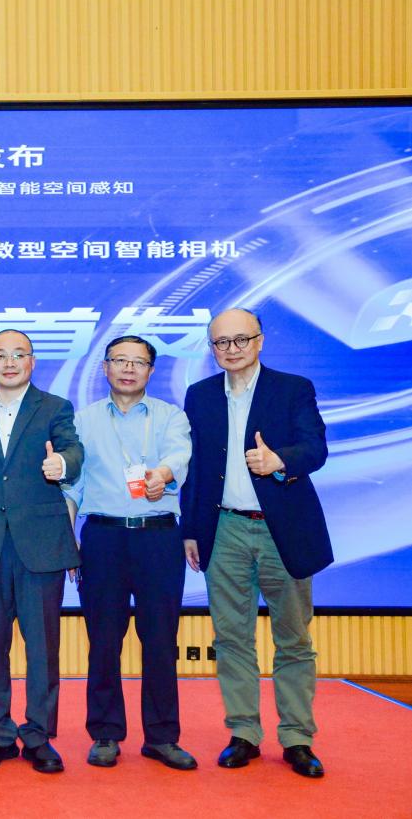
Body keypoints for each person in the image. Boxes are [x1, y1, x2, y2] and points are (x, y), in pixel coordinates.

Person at [181, 308, 332, 778]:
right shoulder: (200, 395)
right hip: (223, 528)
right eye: (221, 342)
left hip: (281, 529)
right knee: (231, 638)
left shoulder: (293, 388)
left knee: (294, 638)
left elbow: (316, 447)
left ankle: (297, 738)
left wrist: (279, 460)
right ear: (212, 349)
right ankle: (243, 732)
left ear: (260, 341)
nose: (231, 349)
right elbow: (194, 469)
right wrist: (191, 529)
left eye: (240, 339)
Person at [63, 335, 196, 770]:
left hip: (158, 539)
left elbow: (179, 454)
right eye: (119, 360)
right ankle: (105, 733)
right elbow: (73, 486)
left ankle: (162, 736)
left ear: (151, 371)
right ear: (105, 367)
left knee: (161, 639)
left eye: (138, 362)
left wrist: (162, 474)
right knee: (103, 640)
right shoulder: (82, 420)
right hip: (103, 539)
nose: (128, 369)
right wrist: (68, 537)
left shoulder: (170, 416)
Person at [0, 329, 83, 774]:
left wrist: (62, 463)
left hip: (41, 544)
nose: (9, 363)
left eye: (18, 354)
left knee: (43, 646)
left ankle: (39, 736)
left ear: (32, 361)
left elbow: (73, 449)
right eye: (0, 355)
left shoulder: (54, 407)